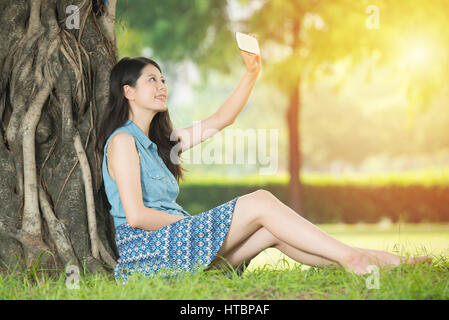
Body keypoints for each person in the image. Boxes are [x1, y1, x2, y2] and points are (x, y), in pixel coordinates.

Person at [96, 34, 431, 284]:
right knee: (260, 201)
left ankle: (385, 260)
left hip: (179, 246)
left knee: (270, 232)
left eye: (163, 80)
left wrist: (251, 74)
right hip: (150, 254)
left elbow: (219, 120)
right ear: (128, 91)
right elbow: (137, 216)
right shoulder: (124, 141)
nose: (161, 86)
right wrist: (196, 227)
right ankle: (354, 258)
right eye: (151, 80)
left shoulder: (162, 142)